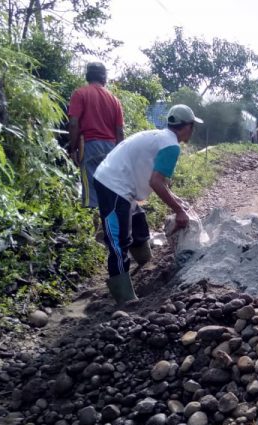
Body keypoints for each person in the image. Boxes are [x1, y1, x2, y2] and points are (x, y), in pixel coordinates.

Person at [92, 104, 203, 304]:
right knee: (118, 242)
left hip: (121, 183)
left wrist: (178, 202)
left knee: (138, 220)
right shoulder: (171, 146)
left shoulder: (160, 137)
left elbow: (160, 181)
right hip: (113, 184)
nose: (192, 131)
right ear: (186, 126)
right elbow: (156, 182)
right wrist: (179, 211)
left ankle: (144, 261)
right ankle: (124, 297)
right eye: (193, 126)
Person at [67, 62, 125, 209]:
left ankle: (95, 227)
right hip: (112, 149)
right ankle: (108, 227)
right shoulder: (114, 100)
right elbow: (119, 132)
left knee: (92, 193)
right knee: (109, 189)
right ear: (104, 77)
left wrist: (73, 149)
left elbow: (73, 123)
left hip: (90, 146)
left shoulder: (80, 94)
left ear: (87, 76)